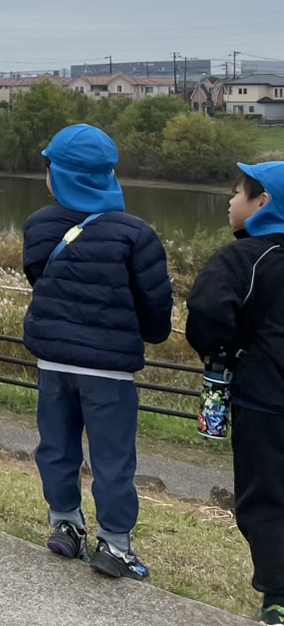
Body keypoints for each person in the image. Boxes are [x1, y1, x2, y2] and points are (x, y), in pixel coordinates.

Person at [22, 124, 171, 582]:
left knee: (57, 446)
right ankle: (115, 544)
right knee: (112, 458)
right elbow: (154, 304)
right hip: (109, 370)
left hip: (53, 362)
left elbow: (40, 280)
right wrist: (148, 333)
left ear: (58, 176)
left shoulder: (40, 224)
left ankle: (64, 523)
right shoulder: (135, 234)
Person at [187, 163, 284, 625]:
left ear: (263, 203)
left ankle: (279, 598)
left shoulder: (244, 259)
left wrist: (226, 349)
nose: (230, 202)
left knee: (265, 496)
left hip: (265, 398)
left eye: (236, 194)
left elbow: (207, 310)